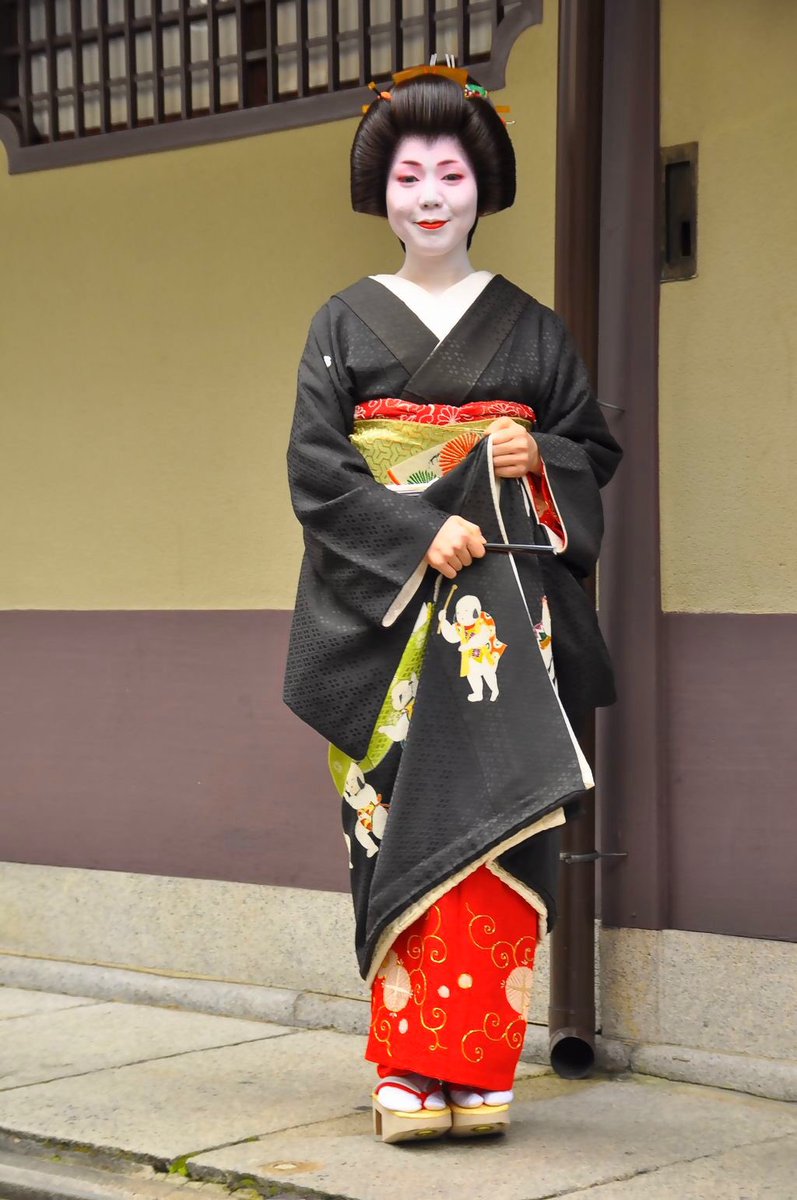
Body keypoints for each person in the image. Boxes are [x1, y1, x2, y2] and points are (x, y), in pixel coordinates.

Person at [284, 64, 621, 1144]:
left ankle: (477, 1071)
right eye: (407, 174)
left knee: (502, 828)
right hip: (390, 618)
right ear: (379, 191)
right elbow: (317, 471)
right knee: (393, 822)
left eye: (450, 173)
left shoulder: (533, 329)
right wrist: (417, 527)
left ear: (483, 186)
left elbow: (590, 451)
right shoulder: (340, 324)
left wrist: (532, 459)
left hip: (505, 624)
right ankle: (402, 1070)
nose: (428, 195)